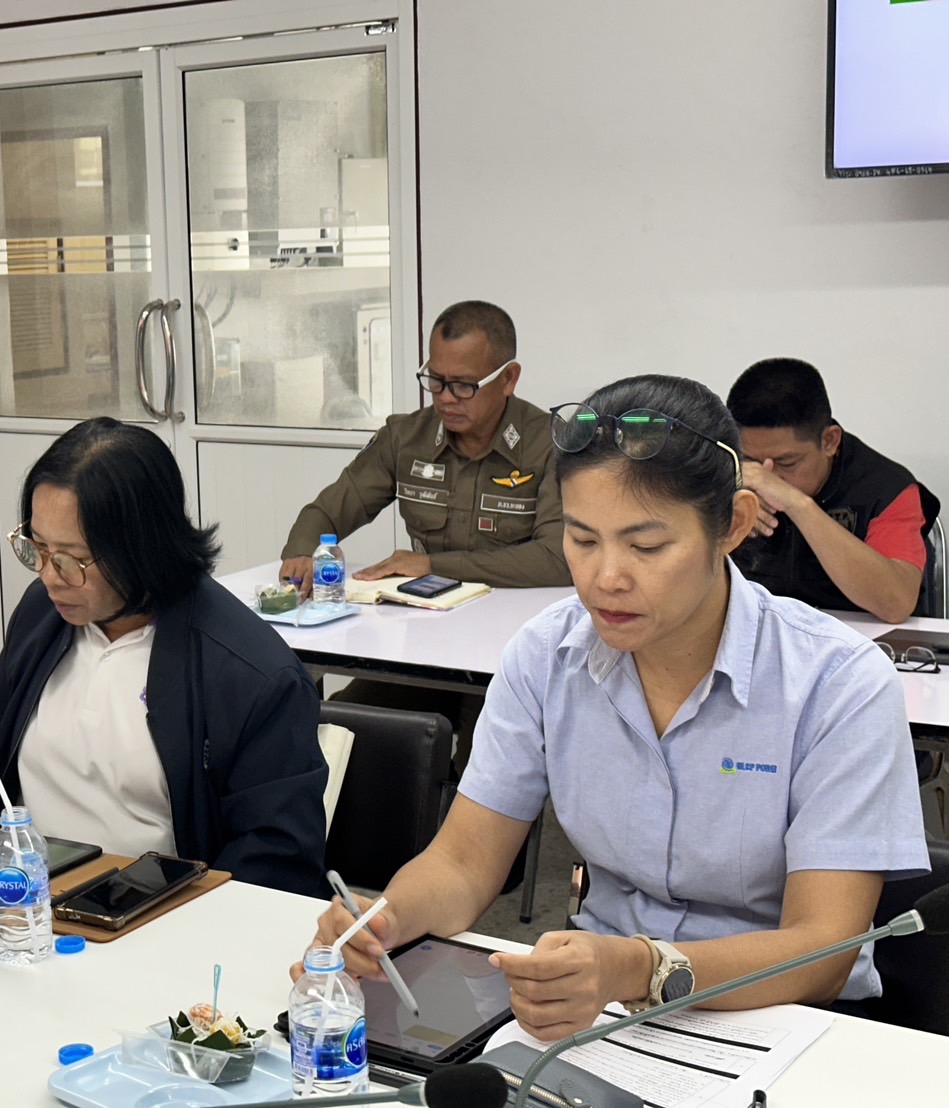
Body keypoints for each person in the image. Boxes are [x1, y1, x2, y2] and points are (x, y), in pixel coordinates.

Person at [304, 375, 927, 1041]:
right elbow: (462, 862)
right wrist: (388, 920)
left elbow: (822, 951)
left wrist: (639, 966)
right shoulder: (548, 655)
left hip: (785, 1022)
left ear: (734, 526)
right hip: (598, 1011)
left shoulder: (834, 683)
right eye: (580, 538)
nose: (605, 577)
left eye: (646, 545)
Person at [0, 417, 328, 896]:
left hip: (155, 922)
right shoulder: (48, 618)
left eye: (71, 559)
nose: (48, 576)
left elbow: (276, 866)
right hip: (24, 902)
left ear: (144, 547)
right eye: (37, 548)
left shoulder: (250, 674)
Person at [279, 300, 568, 591]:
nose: (445, 398)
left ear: (508, 379)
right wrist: (302, 553)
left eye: (463, 385)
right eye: (435, 380)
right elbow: (328, 512)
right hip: (426, 614)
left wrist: (433, 566)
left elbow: (558, 558)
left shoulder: (551, 445)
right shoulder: (405, 438)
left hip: (519, 618)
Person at [726, 357, 938, 624]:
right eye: (752, 461)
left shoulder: (886, 489)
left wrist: (797, 504)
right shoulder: (726, 473)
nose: (767, 476)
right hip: (759, 638)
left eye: (787, 463)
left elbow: (896, 603)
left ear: (829, 441)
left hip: (865, 648)